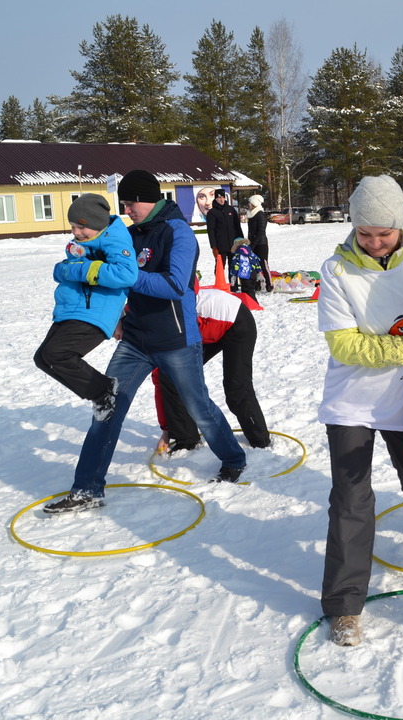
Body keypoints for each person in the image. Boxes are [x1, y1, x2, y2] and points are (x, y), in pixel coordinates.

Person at [43, 170, 246, 514]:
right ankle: (87, 488)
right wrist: (118, 310)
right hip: (136, 339)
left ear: (149, 198)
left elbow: (173, 285)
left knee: (198, 407)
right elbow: (110, 278)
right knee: (106, 408)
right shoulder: (128, 233)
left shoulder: (178, 232)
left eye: (130, 202)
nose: (126, 209)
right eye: (123, 203)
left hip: (176, 338)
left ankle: (233, 457)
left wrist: (128, 276)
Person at [316, 174, 403, 648]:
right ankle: (345, 605)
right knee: (351, 499)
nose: (372, 243)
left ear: (400, 226)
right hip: (350, 399)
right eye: (364, 233)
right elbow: (345, 345)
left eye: (383, 233)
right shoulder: (336, 271)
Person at [33, 194, 138, 420]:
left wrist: (80, 270)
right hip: (72, 309)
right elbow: (65, 269)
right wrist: (67, 269)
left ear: (96, 223)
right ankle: (100, 391)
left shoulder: (114, 241)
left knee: (57, 354)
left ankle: (103, 390)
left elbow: (126, 274)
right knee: (42, 358)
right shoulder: (82, 243)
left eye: (81, 227)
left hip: (94, 312)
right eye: (72, 227)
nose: (76, 233)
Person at [154, 286, 272, 451]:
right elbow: (159, 376)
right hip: (205, 328)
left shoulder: (158, 322)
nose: (116, 338)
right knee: (169, 376)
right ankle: (186, 439)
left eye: (117, 334)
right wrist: (167, 430)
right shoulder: (145, 323)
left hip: (235, 322)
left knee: (236, 387)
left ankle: (260, 441)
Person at [207, 188, 244, 291]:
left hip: (233, 245)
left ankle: (234, 286)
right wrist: (213, 246)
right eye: (219, 197)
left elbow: (237, 226)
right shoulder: (212, 213)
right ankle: (220, 285)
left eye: (223, 197)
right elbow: (211, 230)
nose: (222, 200)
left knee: (234, 267)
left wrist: (241, 241)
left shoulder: (231, 210)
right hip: (220, 245)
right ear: (215, 198)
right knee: (220, 267)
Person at [246, 194, 273, 292]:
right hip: (253, 243)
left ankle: (269, 284)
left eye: (250, 202)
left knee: (263, 264)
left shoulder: (260, 214)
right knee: (253, 265)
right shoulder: (251, 214)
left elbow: (260, 231)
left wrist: (253, 244)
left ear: (254, 204)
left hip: (261, 244)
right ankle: (256, 284)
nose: (248, 204)